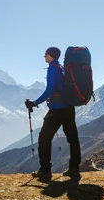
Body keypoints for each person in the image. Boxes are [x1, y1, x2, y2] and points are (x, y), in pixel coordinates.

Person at [25, 47, 82, 181]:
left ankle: (45, 170)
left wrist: (35, 102)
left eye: (45, 54)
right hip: (69, 108)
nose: (44, 56)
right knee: (73, 139)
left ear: (50, 56)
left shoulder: (52, 69)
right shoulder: (62, 68)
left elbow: (50, 90)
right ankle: (74, 169)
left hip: (57, 110)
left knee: (44, 138)